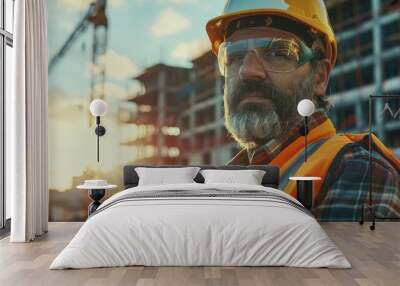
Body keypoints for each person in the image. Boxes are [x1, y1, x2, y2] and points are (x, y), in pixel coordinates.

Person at [205, 0, 400, 220]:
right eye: (235, 57)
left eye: (278, 52)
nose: (247, 70)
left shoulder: (357, 172)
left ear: (320, 77)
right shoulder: (225, 180)